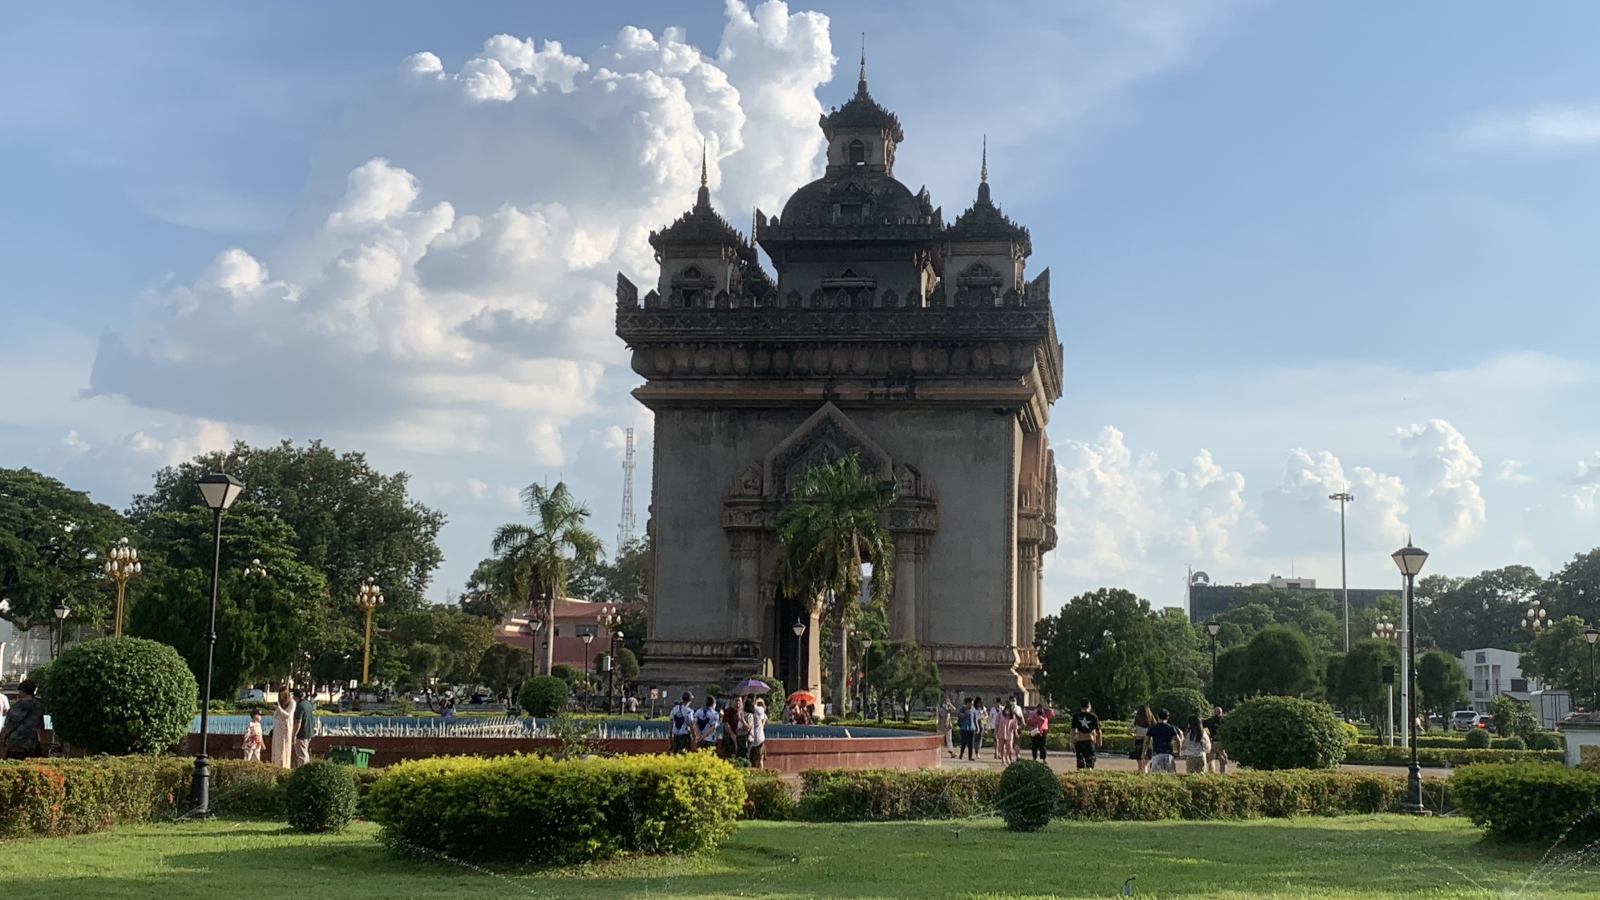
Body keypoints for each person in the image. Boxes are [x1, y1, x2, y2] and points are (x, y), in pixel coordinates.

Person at [0, 679, 46, 760]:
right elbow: (41, 725)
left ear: (23, 690)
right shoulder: (38, 706)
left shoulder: (18, 705)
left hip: (16, 742)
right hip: (32, 743)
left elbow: (10, 723)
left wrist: (2, 738)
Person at [1146, 708, 1182, 774]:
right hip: (1168, 755)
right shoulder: (1171, 728)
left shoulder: (1153, 727)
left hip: (1157, 754)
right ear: (1168, 717)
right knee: (1170, 776)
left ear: (1158, 717)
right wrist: (1179, 752)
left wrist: (1144, 752)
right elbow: (1178, 740)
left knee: (1155, 776)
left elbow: (1146, 741)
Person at [1069, 699, 1102, 770]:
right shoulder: (1093, 716)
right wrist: (1099, 741)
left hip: (1079, 741)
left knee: (1080, 762)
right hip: (1090, 741)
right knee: (1090, 762)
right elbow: (1098, 731)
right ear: (1089, 706)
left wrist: (1071, 742)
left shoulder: (1076, 716)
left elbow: (1073, 730)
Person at [291, 689, 316, 768]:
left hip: (302, 733)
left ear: (295, 697)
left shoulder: (299, 706)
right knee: (305, 753)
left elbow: (298, 721)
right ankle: (308, 768)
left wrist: (294, 734)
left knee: (301, 755)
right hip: (309, 732)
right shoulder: (308, 704)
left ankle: (304, 770)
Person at [271, 688, 294, 768]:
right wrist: (277, 708)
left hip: (286, 727)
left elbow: (288, 715)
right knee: (276, 748)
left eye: (282, 695)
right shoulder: (280, 704)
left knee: (284, 748)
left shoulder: (292, 703)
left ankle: (284, 766)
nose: (281, 697)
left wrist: (279, 709)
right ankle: (276, 765)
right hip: (278, 727)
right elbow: (275, 716)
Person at [1202, 706, 1228, 773]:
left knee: (1211, 758)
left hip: (1212, 741)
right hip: (1221, 741)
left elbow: (1201, 725)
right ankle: (1223, 773)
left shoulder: (1210, 720)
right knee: (1223, 758)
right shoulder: (1225, 721)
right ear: (1221, 712)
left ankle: (1211, 772)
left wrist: (1207, 735)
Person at [1130, 706, 1155, 774]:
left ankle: (1140, 773)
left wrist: (1133, 735)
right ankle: (1145, 773)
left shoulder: (1136, 720)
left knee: (1139, 763)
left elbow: (1127, 730)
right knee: (1145, 763)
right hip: (1148, 741)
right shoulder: (1151, 720)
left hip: (1138, 740)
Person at [749, 698, 769, 768]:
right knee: (759, 759)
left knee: (756, 759)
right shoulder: (759, 711)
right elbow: (763, 720)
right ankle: (759, 772)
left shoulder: (747, 711)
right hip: (758, 739)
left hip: (752, 738)